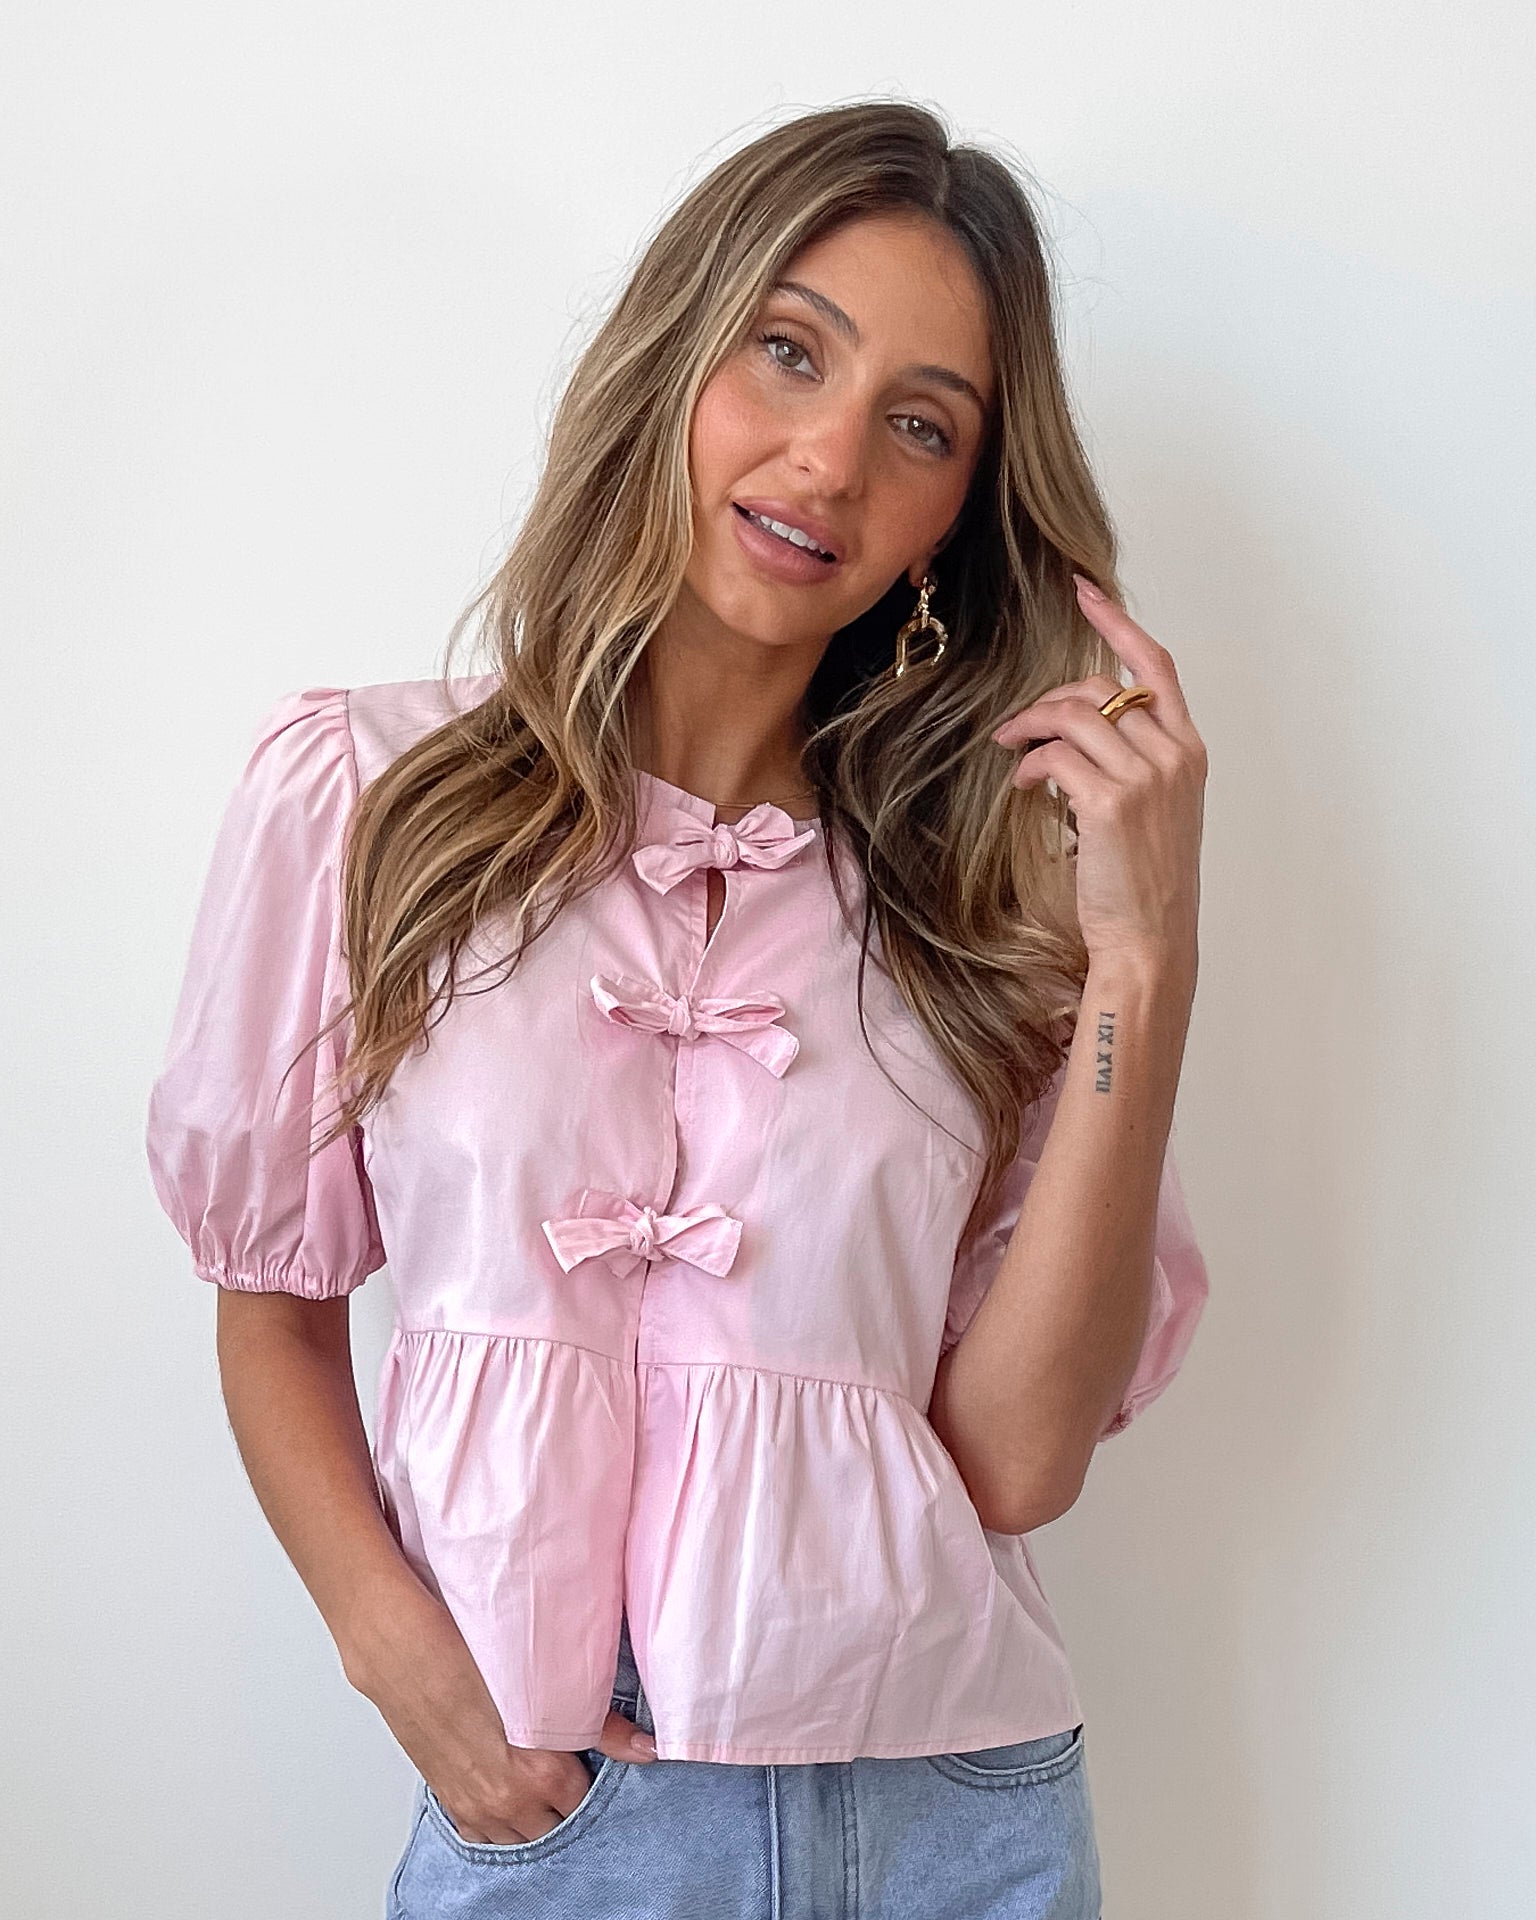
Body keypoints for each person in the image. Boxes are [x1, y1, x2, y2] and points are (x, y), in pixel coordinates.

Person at [144, 99, 1209, 1920]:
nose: (828, 460)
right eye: (789, 350)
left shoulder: (985, 901)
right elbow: (273, 1309)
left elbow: (1021, 1461)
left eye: (922, 426)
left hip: (953, 1817)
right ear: (678, 354)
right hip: (559, 1812)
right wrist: (398, 1655)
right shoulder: (371, 799)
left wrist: (1144, 961)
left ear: (954, 517)